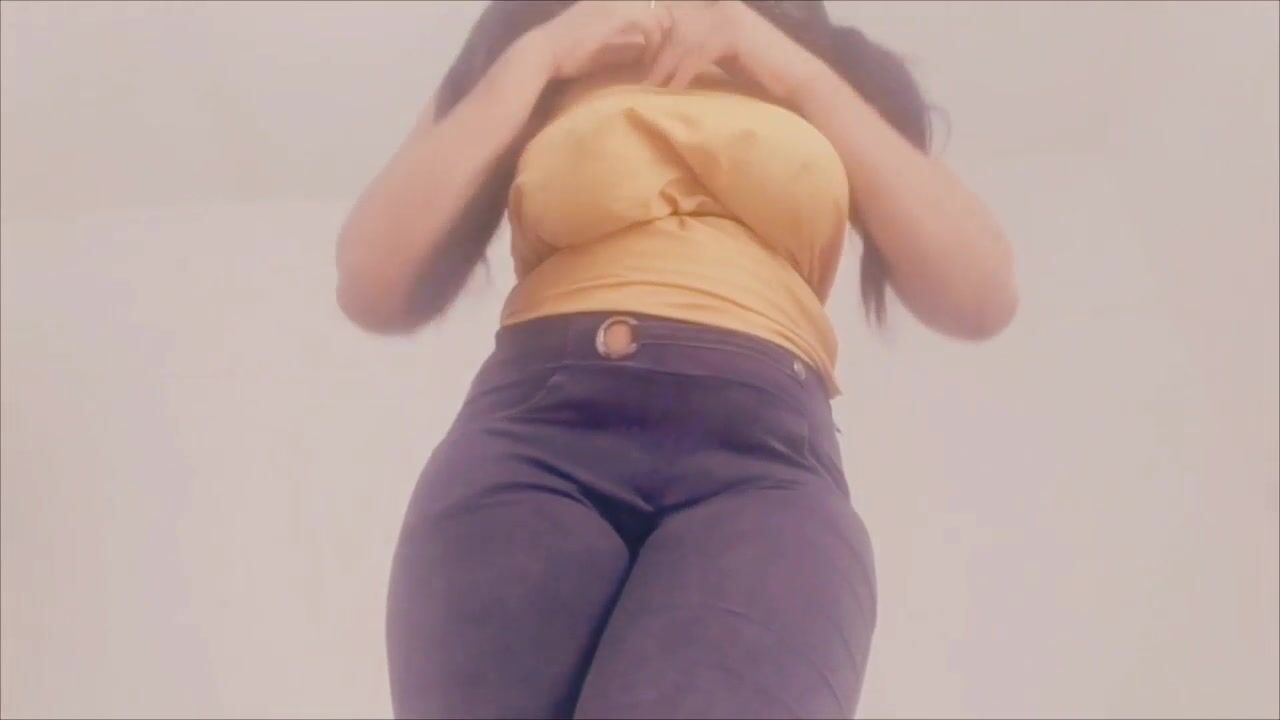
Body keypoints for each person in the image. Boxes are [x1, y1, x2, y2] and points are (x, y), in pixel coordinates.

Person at [336, 1, 1016, 717]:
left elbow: (981, 293)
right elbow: (371, 282)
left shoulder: (826, 63)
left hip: (764, 466)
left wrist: (783, 61)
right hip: (536, 441)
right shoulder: (537, 32)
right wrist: (539, 54)